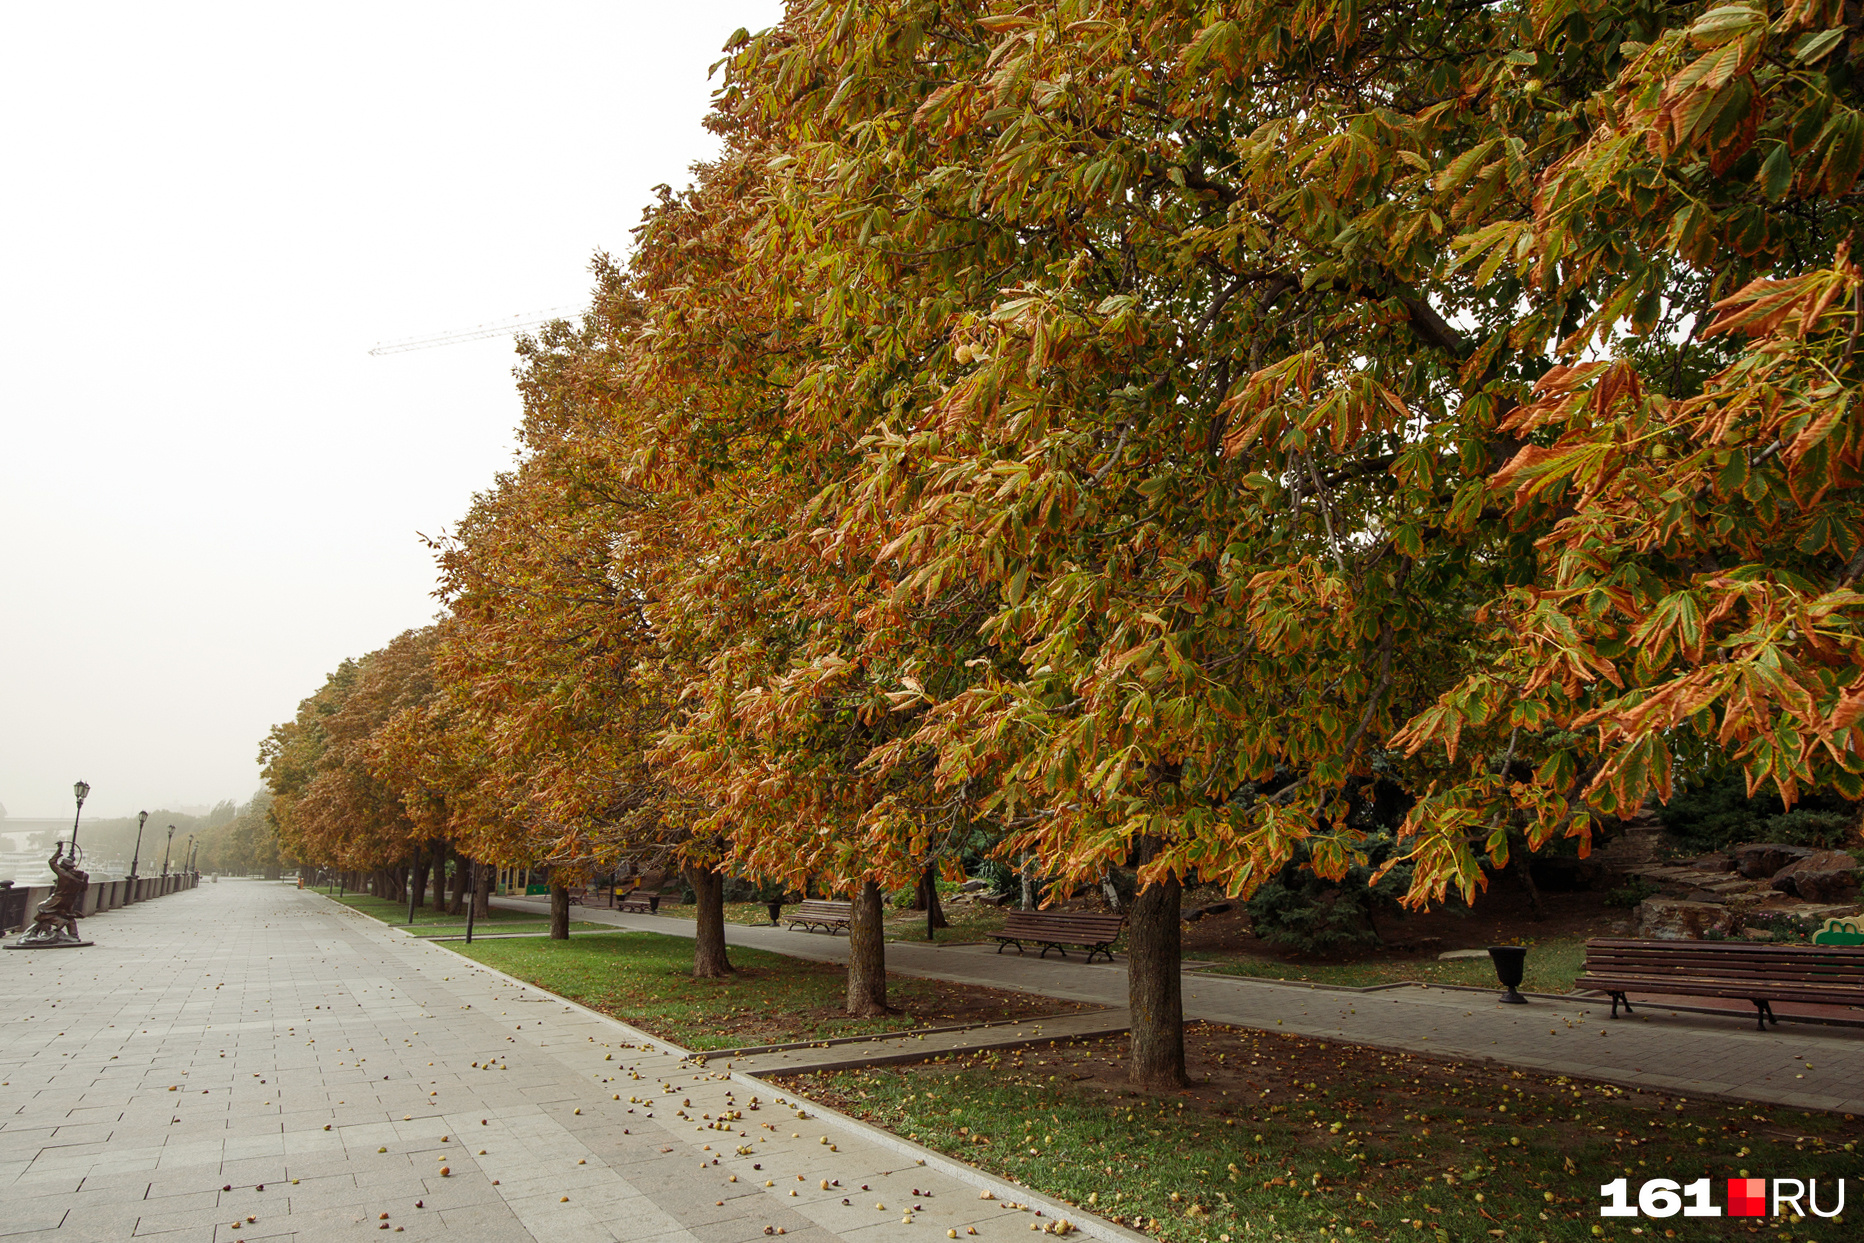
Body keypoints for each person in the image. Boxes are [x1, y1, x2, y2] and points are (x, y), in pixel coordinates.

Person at [22, 843, 88, 944]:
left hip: (58, 898)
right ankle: (73, 936)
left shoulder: (64, 874)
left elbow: (52, 862)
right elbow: (84, 889)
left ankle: (59, 922)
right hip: (70, 900)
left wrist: (59, 850)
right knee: (68, 915)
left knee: (42, 910)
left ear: (64, 867)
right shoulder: (80, 877)